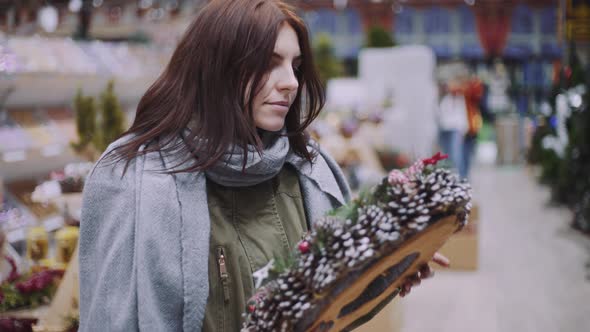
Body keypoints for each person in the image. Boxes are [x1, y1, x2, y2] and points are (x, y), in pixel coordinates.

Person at [78, 1, 449, 331]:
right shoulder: (132, 180)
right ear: (216, 66)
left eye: (295, 66)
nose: (290, 83)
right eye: (269, 63)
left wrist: (387, 271)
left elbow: (328, 308)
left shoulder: (309, 171)